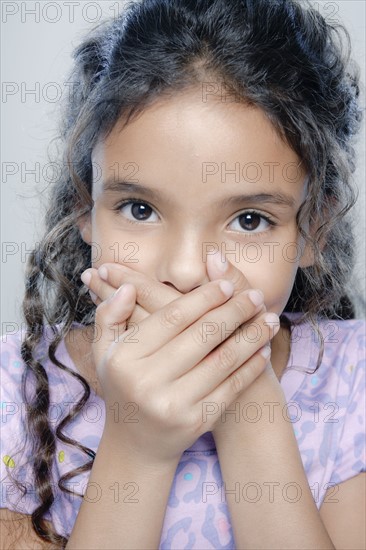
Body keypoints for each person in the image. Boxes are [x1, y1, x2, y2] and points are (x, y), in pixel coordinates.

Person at [1, 0, 365, 548]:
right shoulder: (15, 392)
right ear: (85, 207)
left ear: (313, 229)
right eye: (140, 210)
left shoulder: (354, 383)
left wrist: (248, 407)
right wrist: (138, 446)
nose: (187, 271)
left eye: (249, 219)